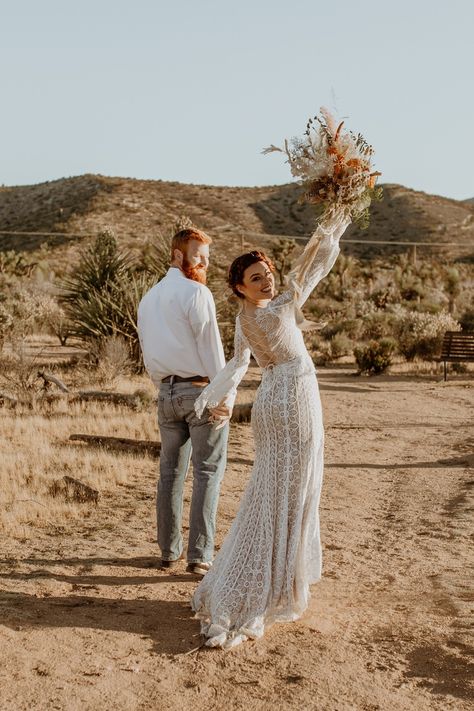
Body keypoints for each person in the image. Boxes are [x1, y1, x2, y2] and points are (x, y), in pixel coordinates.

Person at [191, 209, 351, 648]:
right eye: (257, 278)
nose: (269, 283)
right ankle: (275, 584)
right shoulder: (280, 306)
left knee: (270, 488)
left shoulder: (243, 321)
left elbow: (238, 366)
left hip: (270, 401)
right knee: (293, 489)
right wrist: (336, 221)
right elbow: (314, 263)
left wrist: (220, 399)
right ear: (239, 287)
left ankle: (265, 574)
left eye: (269, 275)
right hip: (296, 399)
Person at [137, 228, 232, 576]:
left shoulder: (147, 299)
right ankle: (200, 555)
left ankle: (167, 551)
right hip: (201, 390)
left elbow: (148, 352)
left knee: (170, 474)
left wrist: (164, 388)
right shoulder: (196, 292)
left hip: (166, 393)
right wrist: (225, 396)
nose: (204, 264)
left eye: (206, 258)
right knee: (207, 472)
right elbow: (212, 349)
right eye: (198, 256)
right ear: (178, 255)